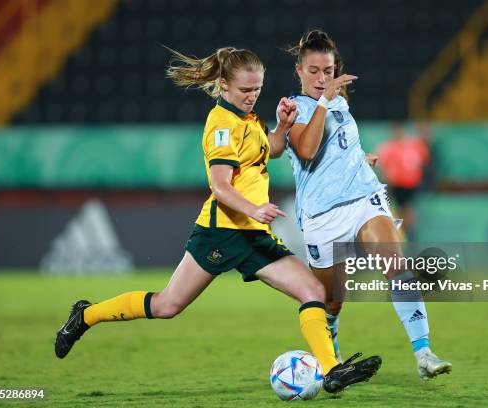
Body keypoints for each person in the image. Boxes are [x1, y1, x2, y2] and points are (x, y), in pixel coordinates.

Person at [53, 46, 380, 393]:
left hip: (253, 235)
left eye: (257, 89)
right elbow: (220, 185)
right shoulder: (221, 124)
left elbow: (272, 149)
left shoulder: (248, 118)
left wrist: (283, 127)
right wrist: (254, 208)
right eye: (245, 90)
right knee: (168, 305)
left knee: (313, 289)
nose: (252, 97)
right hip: (220, 232)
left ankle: (331, 371)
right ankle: (85, 315)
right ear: (224, 85)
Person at [278, 30, 451, 380]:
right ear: (298, 70)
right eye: (313, 70)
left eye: (327, 70)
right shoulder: (293, 108)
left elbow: (340, 144)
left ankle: (424, 352)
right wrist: (324, 100)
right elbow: (308, 151)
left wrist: (359, 158)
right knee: (332, 301)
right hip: (321, 217)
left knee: (397, 267)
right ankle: (334, 356)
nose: (322, 77)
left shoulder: (338, 99)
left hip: (362, 199)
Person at [376, 123, 431, 237]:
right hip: (400, 184)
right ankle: (403, 233)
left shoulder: (395, 147)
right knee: (402, 210)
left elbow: (422, 161)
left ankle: (404, 233)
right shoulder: (409, 145)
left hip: (405, 183)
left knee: (403, 210)